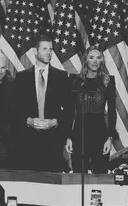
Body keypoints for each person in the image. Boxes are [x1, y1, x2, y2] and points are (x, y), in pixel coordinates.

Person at [11, 35, 71, 172]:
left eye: (50, 49)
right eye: (44, 49)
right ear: (34, 51)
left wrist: (55, 122)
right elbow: (13, 110)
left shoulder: (61, 77)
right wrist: (28, 121)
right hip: (27, 142)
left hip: (53, 142)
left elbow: (70, 109)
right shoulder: (21, 77)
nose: (49, 52)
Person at [65, 45, 116, 173]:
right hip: (79, 134)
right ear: (86, 60)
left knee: (101, 176)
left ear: (102, 61)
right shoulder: (75, 81)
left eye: (98, 58)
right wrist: (68, 137)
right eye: (91, 57)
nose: (95, 61)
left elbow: (111, 112)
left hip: (100, 134)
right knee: (78, 175)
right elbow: (69, 111)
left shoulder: (108, 81)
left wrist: (109, 138)